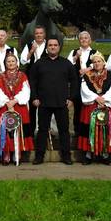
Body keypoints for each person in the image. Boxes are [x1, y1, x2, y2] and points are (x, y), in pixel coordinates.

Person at [30, 37, 78, 165]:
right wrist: (34, 97)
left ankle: (66, 156)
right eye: (50, 45)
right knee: (42, 130)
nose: (52, 47)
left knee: (64, 130)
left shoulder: (66, 63)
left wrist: (71, 98)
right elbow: (32, 82)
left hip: (61, 103)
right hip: (43, 103)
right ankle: (39, 156)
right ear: (47, 47)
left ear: (59, 47)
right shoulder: (39, 63)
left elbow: (74, 81)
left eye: (55, 45)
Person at [77, 52, 111, 165]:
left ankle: (105, 155)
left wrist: (104, 99)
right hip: (91, 105)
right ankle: (88, 155)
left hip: (106, 105)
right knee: (90, 130)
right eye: (94, 62)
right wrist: (96, 98)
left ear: (103, 62)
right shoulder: (87, 75)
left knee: (105, 129)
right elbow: (84, 89)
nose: (97, 63)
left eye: (99, 61)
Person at [0, 54, 34, 165]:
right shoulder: (1, 77)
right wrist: (7, 102)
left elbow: (26, 91)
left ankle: (17, 153)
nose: (11, 63)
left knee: (18, 131)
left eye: (13, 61)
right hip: (5, 107)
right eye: (8, 62)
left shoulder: (23, 76)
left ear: (17, 63)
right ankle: (6, 154)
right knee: (5, 131)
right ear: (5, 63)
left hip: (18, 107)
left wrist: (14, 101)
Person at [67, 31, 97, 135]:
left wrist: (88, 69)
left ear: (89, 40)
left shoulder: (94, 52)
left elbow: (101, 63)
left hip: (91, 83)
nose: (84, 40)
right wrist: (75, 57)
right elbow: (67, 65)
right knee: (78, 105)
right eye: (82, 38)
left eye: (86, 38)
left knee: (89, 105)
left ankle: (89, 128)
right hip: (77, 83)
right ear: (79, 40)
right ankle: (77, 130)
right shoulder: (74, 51)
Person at [20, 25, 46, 134]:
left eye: (41, 33)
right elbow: (22, 61)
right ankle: (30, 131)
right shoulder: (29, 45)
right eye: (37, 33)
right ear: (34, 35)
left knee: (45, 105)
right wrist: (31, 51)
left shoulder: (50, 44)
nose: (39, 35)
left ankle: (45, 129)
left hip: (46, 78)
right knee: (32, 103)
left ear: (44, 34)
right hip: (32, 78)